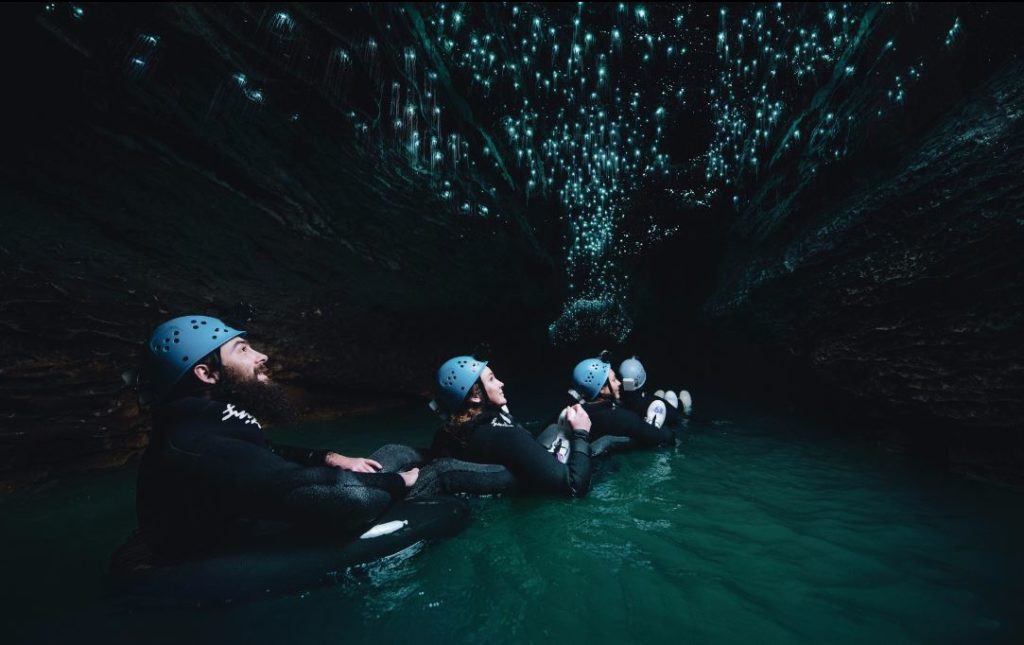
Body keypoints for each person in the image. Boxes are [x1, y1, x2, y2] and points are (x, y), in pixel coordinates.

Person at [132, 315, 427, 561]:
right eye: (242, 350)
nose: (262, 356)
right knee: (396, 481)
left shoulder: (205, 422)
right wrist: (402, 481)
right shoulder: (198, 445)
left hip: (258, 507)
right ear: (207, 374)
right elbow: (346, 497)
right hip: (220, 548)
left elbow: (265, 453)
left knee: (395, 451)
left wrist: (329, 458)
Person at [429, 355, 594, 497]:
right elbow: (574, 486)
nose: (501, 383)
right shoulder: (505, 436)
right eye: (492, 379)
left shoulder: (446, 434)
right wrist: (581, 433)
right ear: (475, 396)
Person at [570, 353, 676, 449]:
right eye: (614, 379)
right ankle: (677, 404)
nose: (619, 383)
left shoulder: (573, 412)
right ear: (602, 388)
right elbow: (664, 436)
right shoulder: (622, 418)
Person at [618, 356, 692, 426]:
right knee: (674, 395)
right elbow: (677, 416)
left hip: (656, 406)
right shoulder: (648, 402)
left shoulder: (623, 399)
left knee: (662, 394)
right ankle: (684, 407)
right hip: (669, 411)